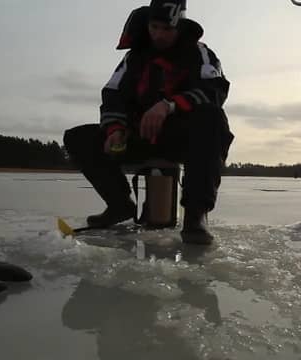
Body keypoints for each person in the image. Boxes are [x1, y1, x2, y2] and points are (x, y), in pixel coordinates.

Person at [63, 0, 234, 245]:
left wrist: (168, 105)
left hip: (182, 138)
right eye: (154, 27)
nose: (159, 35)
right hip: (139, 136)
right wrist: (115, 129)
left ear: (180, 27)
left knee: (213, 118)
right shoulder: (134, 58)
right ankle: (119, 205)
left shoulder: (200, 53)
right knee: (78, 137)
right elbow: (113, 95)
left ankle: (196, 216)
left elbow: (215, 90)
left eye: (167, 29)